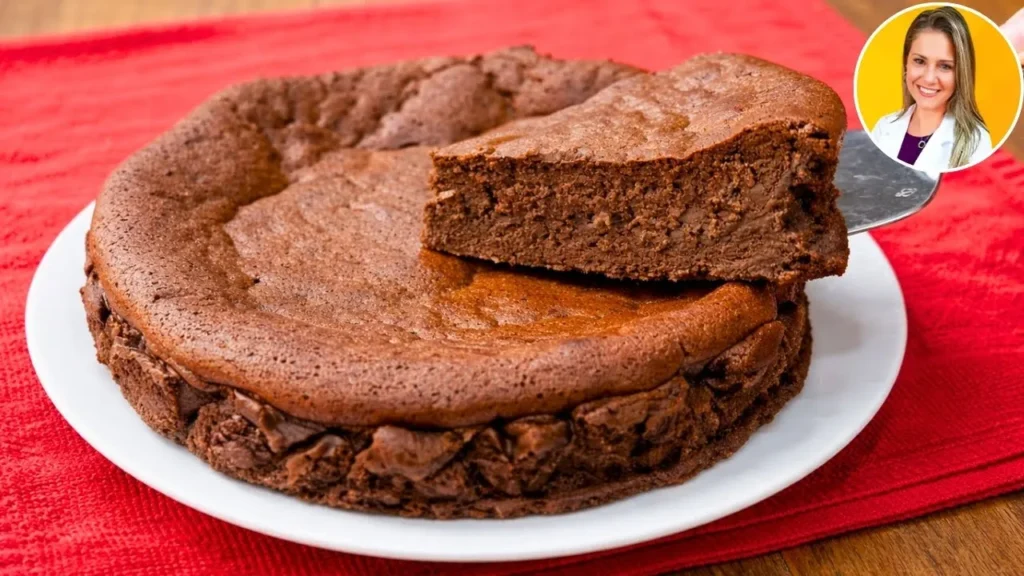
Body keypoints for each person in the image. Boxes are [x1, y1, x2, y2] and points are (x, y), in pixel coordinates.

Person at [871, 6, 992, 171]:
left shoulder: (976, 141)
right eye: (920, 61)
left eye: (945, 66)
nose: (928, 78)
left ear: (961, 73)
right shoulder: (884, 127)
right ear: (906, 62)